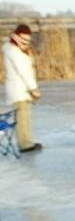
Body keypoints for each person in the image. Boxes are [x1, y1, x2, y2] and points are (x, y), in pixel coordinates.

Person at [3, 24, 42, 152]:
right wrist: (33, 89)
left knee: (25, 117)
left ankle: (27, 141)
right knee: (22, 118)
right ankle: (25, 145)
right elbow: (23, 71)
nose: (26, 42)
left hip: (21, 89)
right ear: (18, 36)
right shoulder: (13, 51)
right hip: (18, 89)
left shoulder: (19, 49)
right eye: (24, 39)